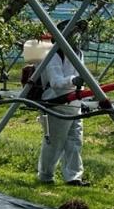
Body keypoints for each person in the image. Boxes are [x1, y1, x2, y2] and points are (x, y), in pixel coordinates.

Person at [37, 19, 90, 187]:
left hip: (75, 103)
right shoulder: (53, 54)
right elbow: (55, 82)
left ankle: (74, 177)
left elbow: (82, 77)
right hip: (56, 103)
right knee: (54, 143)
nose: (77, 37)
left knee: (75, 141)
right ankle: (46, 176)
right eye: (73, 33)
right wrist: (73, 80)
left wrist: (83, 99)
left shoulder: (78, 53)